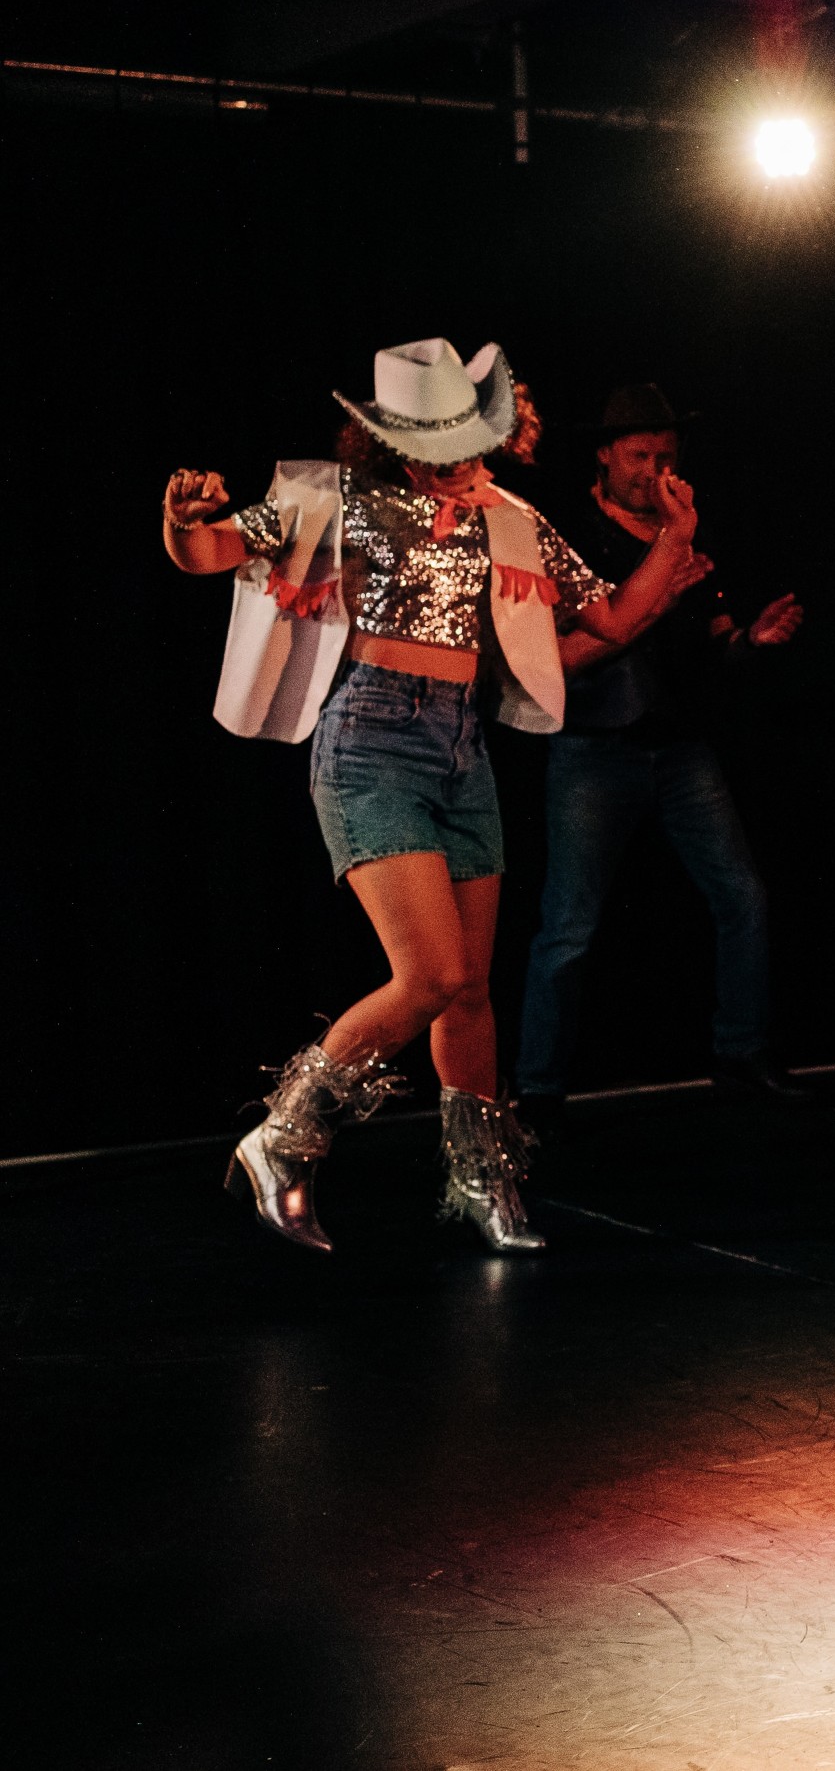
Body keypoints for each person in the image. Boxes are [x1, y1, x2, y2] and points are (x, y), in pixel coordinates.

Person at [163, 339, 698, 1255]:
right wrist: (182, 521)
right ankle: (282, 1137)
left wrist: (677, 540)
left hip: (462, 748)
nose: (456, 462)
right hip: (371, 742)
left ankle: (482, 1177)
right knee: (432, 974)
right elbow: (208, 551)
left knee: (471, 992)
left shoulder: (510, 519)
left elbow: (611, 615)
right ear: (395, 444)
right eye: (434, 447)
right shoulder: (338, 498)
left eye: (467, 443)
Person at [516, 384, 808, 1116]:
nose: (654, 471)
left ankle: (742, 1053)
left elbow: (716, 638)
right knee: (569, 926)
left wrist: (751, 640)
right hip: (593, 749)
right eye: (640, 456)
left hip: (680, 748)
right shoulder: (570, 535)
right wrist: (655, 602)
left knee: (743, 896)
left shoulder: (684, 532)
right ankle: (538, 1089)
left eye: (667, 457)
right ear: (605, 456)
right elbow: (558, 657)